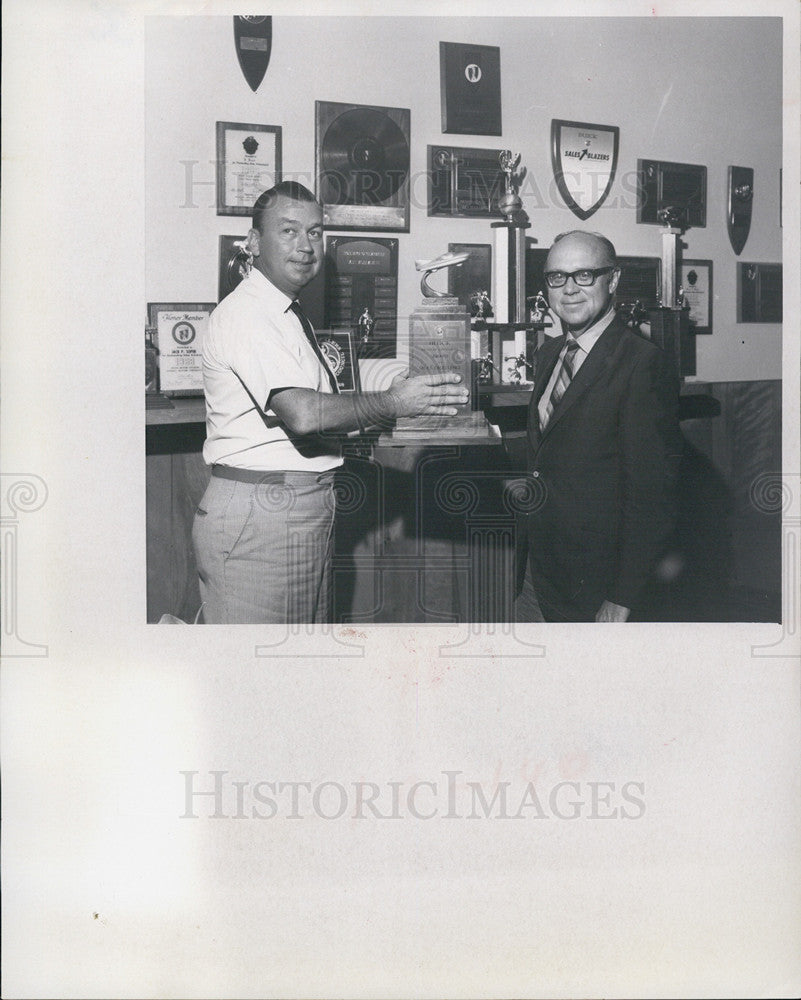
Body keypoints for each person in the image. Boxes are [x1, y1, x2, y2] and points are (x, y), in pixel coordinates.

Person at [193, 181, 468, 624]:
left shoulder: (286, 311)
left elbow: (324, 414)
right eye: (288, 231)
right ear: (253, 242)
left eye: (315, 232)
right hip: (262, 514)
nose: (305, 246)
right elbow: (302, 414)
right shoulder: (248, 313)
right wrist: (394, 401)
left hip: (298, 505)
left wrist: (400, 400)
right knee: (256, 673)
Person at [514, 230, 682, 623]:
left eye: (584, 275)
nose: (569, 289)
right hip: (538, 570)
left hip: (597, 584)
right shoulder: (549, 352)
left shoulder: (643, 363)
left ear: (614, 280)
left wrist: (622, 596)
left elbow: (652, 495)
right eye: (557, 277)